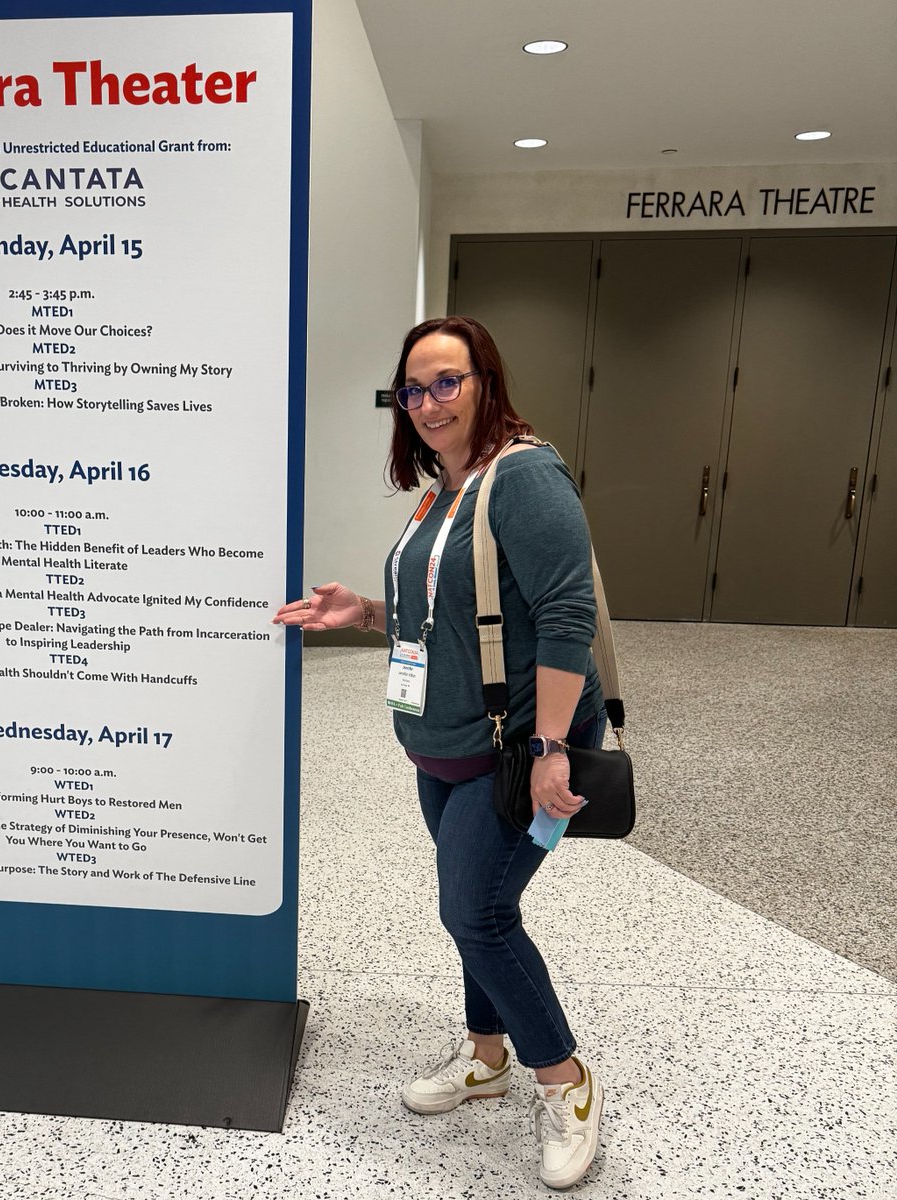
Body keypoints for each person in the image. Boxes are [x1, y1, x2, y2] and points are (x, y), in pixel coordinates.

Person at [274, 316, 607, 1190]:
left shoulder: (525, 477)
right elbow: (448, 612)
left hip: (515, 754)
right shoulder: (443, 488)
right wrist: (364, 612)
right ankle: (487, 1057)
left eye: (447, 382)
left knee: (478, 914)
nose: (428, 402)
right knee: (475, 911)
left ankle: (565, 1082)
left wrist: (551, 749)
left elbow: (568, 617)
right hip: (447, 749)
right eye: (413, 388)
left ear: (486, 381)